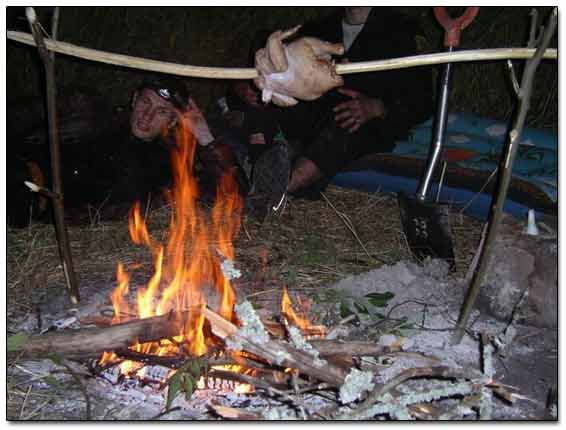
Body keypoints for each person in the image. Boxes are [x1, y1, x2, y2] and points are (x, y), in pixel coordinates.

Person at [248, 6, 433, 215]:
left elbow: (423, 100)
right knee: (262, 105)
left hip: (366, 120)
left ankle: (278, 190)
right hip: (315, 112)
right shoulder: (318, 28)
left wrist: (378, 107)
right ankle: (259, 170)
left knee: (343, 124)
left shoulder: (404, 29)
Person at [8, 76, 248, 226]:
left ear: (174, 121)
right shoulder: (91, 113)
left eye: (162, 112)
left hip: (32, 205)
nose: (147, 116)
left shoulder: (168, 164)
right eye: (145, 102)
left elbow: (234, 191)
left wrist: (204, 135)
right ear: (134, 99)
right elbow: (22, 114)